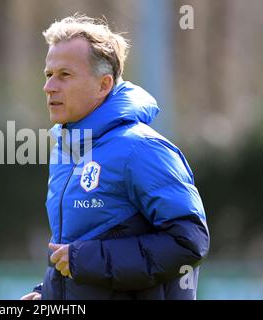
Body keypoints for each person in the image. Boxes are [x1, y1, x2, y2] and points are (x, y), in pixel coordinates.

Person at [21, 14, 210, 300]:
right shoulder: (66, 151)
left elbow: (188, 243)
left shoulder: (142, 149)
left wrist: (84, 259)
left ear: (104, 84)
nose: (49, 87)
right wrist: (49, 292)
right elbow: (74, 252)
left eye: (65, 75)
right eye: (48, 75)